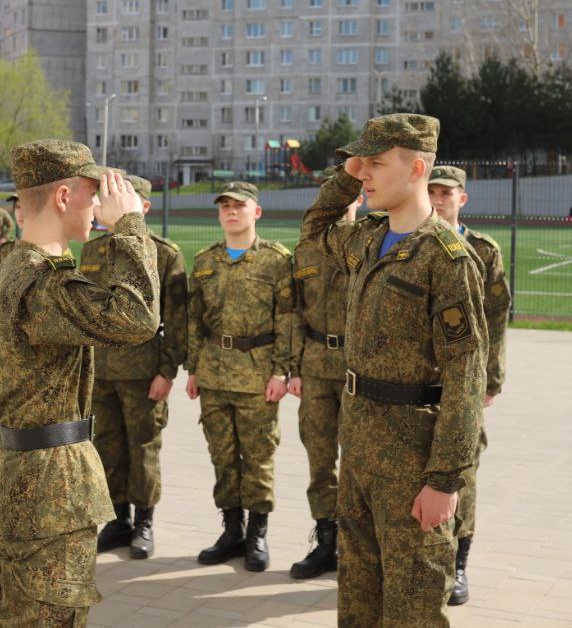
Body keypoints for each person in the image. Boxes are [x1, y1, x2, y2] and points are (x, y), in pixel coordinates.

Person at [300, 114, 487, 626]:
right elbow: (314, 230)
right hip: (359, 443)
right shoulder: (367, 237)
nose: (365, 174)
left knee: (412, 607)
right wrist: (347, 174)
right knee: (357, 601)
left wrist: (445, 479)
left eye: (377, 164)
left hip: (412, 454)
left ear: (417, 168)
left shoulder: (447, 258)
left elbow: (466, 377)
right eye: (363, 165)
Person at [0, 140, 159, 625]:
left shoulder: (5, 275)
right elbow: (137, 319)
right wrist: (130, 227)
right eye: (92, 193)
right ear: (62, 196)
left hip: (23, 474)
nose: (99, 205)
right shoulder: (41, 286)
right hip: (50, 487)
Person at [186, 181, 294, 573]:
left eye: (240, 205)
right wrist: (194, 368)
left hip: (257, 373)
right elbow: (194, 320)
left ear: (256, 213)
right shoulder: (204, 261)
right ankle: (232, 530)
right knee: (223, 458)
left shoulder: (277, 261)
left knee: (259, 458)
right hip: (214, 372)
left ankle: (257, 534)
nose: (231, 212)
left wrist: (282, 371)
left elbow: (287, 319)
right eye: (225, 206)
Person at [85, 175, 187, 560]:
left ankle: (144, 521)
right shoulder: (92, 250)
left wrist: (167, 371)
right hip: (101, 369)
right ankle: (117, 520)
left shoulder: (164, 254)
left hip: (144, 369)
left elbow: (177, 321)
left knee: (142, 447)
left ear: (144, 207)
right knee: (105, 447)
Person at [427, 165, 512, 607]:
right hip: (417, 379)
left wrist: (490, 380)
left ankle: (459, 561)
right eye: (432, 191)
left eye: (447, 192)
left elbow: (497, 321)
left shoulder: (482, 250)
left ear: (463, 198)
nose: (438, 199)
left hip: (465, 380)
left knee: (463, 469)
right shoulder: (408, 243)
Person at [288, 180, 362, 580]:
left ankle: (357, 545)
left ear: (359, 199)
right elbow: (295, 311)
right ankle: (326, 540)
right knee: (319, 460)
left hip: (358, 369)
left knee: (358, 462)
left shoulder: (371, 243)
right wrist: (293, 367)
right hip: (316, 365)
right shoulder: (306, 249)